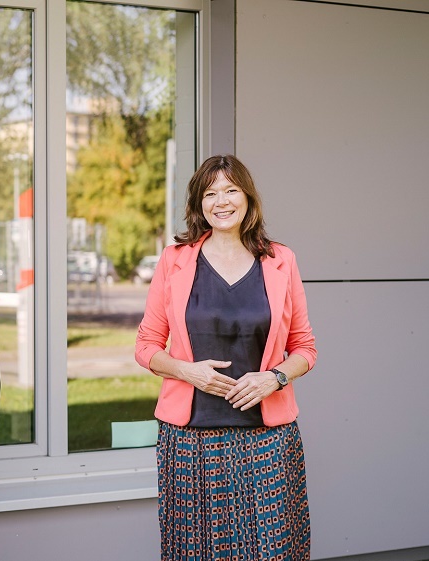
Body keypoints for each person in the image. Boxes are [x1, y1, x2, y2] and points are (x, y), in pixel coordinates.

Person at [135, 155, 317, 559]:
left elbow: (305, 348)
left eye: (231, 190)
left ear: (248, 198)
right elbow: (146, 345)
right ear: (199, 203)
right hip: (189, 440)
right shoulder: (175, 260)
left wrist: (275, 377)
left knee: (272, 550)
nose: (221, 201)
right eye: (210, 192)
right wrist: (187, 371)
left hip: (268, 437)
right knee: (196, 551)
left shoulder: (280, 260)